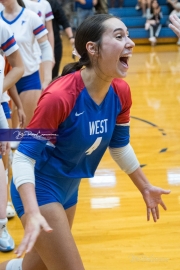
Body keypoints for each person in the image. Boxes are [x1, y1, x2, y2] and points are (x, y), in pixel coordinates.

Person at [0, 14, 170, 270]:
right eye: (119, 36)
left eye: (128, 35)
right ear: (93, 49)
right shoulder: (59, 96)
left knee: (33, 268)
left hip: (69, 188)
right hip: (39, 189)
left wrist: (144, 186)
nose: (131, 43)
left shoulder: (121, 91)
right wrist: (32, 211)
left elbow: (120, 146)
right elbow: (24, 157)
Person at [0, 0, 53, 127]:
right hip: (5, 79)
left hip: (29, 77)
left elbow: (45, 47)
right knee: (9, 134)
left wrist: (47, 78)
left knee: (26, 129)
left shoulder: (31, 16)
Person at [0, 20, 24, 251]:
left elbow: (15, 68)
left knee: (2, 160)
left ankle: (1, 222)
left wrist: (17, 105)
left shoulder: (2, 29)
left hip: (1, 104)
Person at [47, 0, 75, 79]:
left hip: (55, 43)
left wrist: (71, 37)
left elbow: (64, 21)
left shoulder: (52, 3)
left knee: (54, 74)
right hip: (36, 46)